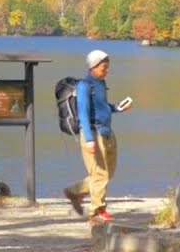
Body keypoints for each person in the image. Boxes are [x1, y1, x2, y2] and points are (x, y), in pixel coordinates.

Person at [63, 49, 132, 226]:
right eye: (104, 67)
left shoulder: (101, 83)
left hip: (107, 132)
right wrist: (88, 139)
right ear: (93, 66)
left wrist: (117, 108)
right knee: (99, 174)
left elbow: (102, 106)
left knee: (107, 172)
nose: (107, 70)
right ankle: (96, 213)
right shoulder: (85, 86)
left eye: (107, 66)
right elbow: (84, 114)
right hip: (93, 133)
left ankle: (74, 191)